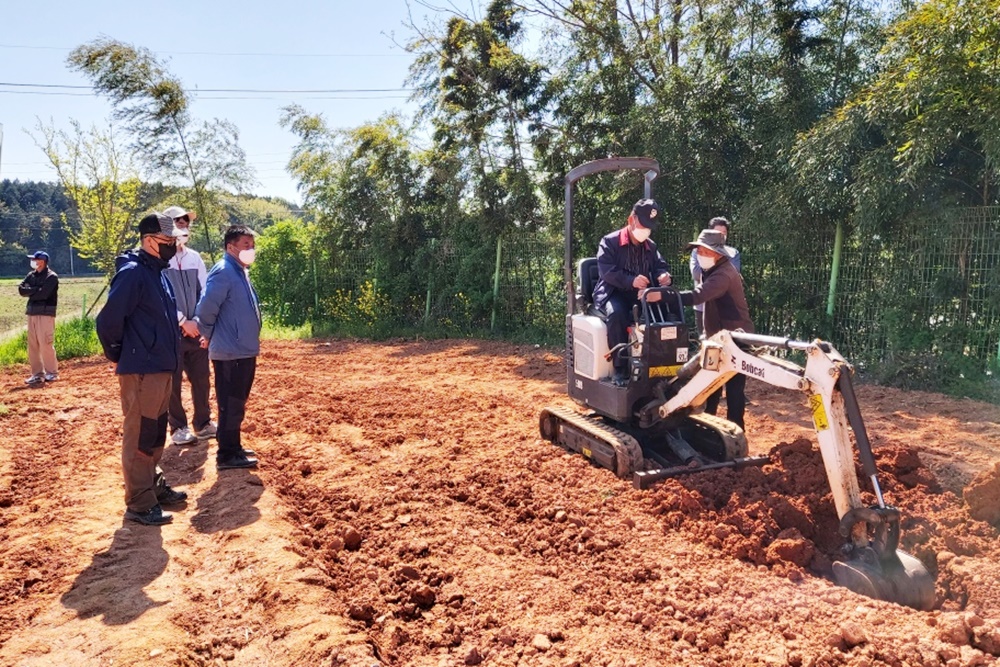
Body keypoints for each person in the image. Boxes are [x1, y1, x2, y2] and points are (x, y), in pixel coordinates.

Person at [96, 212, 188, 526]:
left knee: (155, 432)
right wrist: (122, 356)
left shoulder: (157, 272)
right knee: (139, 435)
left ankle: (152, 486)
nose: (173, 246)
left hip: (161, 367)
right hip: (143, 370)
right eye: (167, 241)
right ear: (149, 241)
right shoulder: (134, 273)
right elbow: (108, 322)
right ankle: (138, 502)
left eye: (175, 240)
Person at [196, 225, 262, 471]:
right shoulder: (224, 272)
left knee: (237, 402)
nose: (251, 250)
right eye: (246, 245)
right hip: (230, 352)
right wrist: (206, 332)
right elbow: (206, 308)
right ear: (230, 247)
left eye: (252, 245)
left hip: (243, 349)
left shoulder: (240, 271)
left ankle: (234, 446)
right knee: (230, 402)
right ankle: (226, 454)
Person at [679, 228, 755, 429]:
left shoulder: (723, 274)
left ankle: (736, 429)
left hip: (736, 338)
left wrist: (666, 296)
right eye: (699, 251)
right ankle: (708, 427)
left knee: (734, 389)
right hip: (717, 338)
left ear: (718, 253)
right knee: (710, 384)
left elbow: (698, 296)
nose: (700, 255)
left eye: (705, 251)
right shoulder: (711, 270)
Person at [593, 199, 672, 386]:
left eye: (650, 227)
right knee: (617, 314)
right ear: (631, 220)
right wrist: (631, 281)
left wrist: (664, 276)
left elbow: (660, 266)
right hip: (614, 292)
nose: (646, 230)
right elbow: (606, 271)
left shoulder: (651, 247)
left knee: (665, 312)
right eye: (643, 225)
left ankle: (659, 365)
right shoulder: (610, 242)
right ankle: (619, 369)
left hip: (641, 295)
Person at [161, 205, 216, 446]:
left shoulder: (195, 258)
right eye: (178, 223)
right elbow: (161, 296)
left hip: (196, 331)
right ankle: (178, 427)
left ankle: (203, 423)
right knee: (172, 383)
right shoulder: (161, 260)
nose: (183, 227)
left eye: (185, 224)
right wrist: (183, 320)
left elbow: (205, 291)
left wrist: (199, 322)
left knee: (202, 378)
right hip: (170, 332)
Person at [689, 217, 741, 336]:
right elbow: (696, 273)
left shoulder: (733, 254)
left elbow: (730, 276)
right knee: (707, 346)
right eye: (718, 233)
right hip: (702, 306)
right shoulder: (696, 252)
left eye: (724, 233)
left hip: (727, 309)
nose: (721, 236)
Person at [18, 251, 59, 385]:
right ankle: (37, 374)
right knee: (33, 345)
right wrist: (36, 289)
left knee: (45, 343)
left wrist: (32, 291)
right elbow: (21, 290)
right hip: (31, 313)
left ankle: (52, 372)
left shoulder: (51, 277)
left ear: (42, 261)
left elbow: (43, 295)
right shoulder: (32, 275)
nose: (33, 261)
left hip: (45, 314)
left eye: (36, 259)